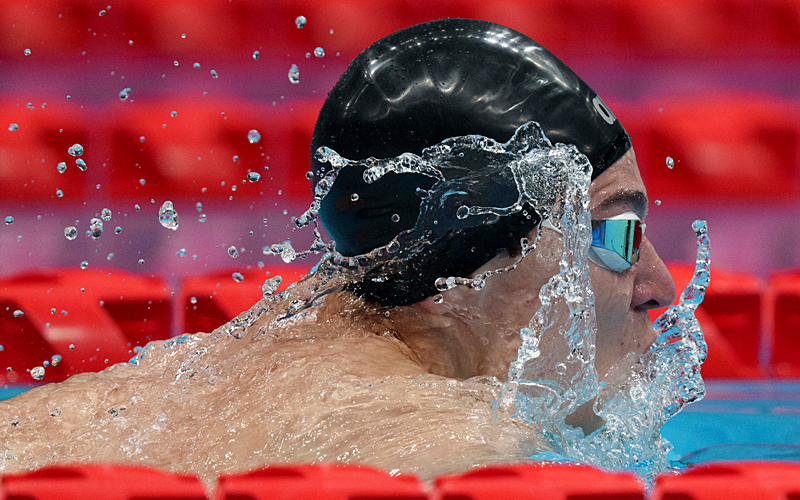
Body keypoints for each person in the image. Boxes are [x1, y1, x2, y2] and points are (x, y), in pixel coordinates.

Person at [0, 19, 675, 482]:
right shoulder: (450, 451)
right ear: (461, 273)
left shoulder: (279, 341)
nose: (661, 285)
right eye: (614, 236)